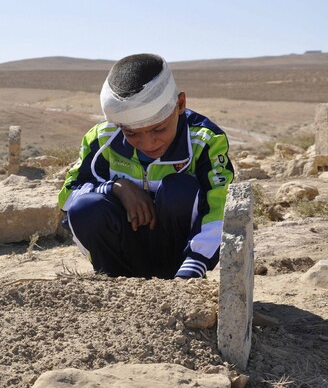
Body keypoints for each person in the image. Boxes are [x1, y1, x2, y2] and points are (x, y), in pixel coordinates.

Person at [58, 53, 234, 279]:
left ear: (180, 105)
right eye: (131, 133)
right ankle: (113, 282)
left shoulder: (204, 139)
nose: (148, 143)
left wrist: (197, 262)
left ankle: (183, 276)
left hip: (181, 259)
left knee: (180, 191)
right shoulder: (102, 138)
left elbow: (220, 206)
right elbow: (68, 195)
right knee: (85, 208)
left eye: (158, 129)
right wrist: (116, 188)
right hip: (122, 257)